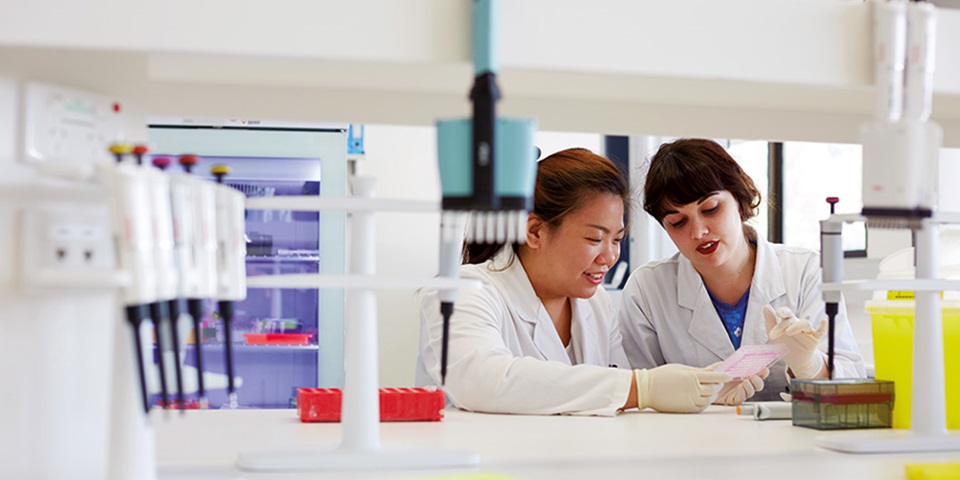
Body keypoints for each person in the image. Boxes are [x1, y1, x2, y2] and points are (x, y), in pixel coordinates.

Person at [415, 148, 732, 416]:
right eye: (595, 238)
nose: (609, 257)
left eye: (617, 239)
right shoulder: (463, 292)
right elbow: (481, 380)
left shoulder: (595, 303)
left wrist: (705, 391)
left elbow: (614, 398)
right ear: (535, 231)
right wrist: (642, 387)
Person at [618, 138, 865, 404]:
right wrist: (700, 399)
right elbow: (634, 397)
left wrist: (810, 366)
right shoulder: (647, 290)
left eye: (711, 209)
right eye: (678, 222)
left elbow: (854, 389)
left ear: (739, 198)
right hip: (689, 442)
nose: (698, 232)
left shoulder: (805, 271)